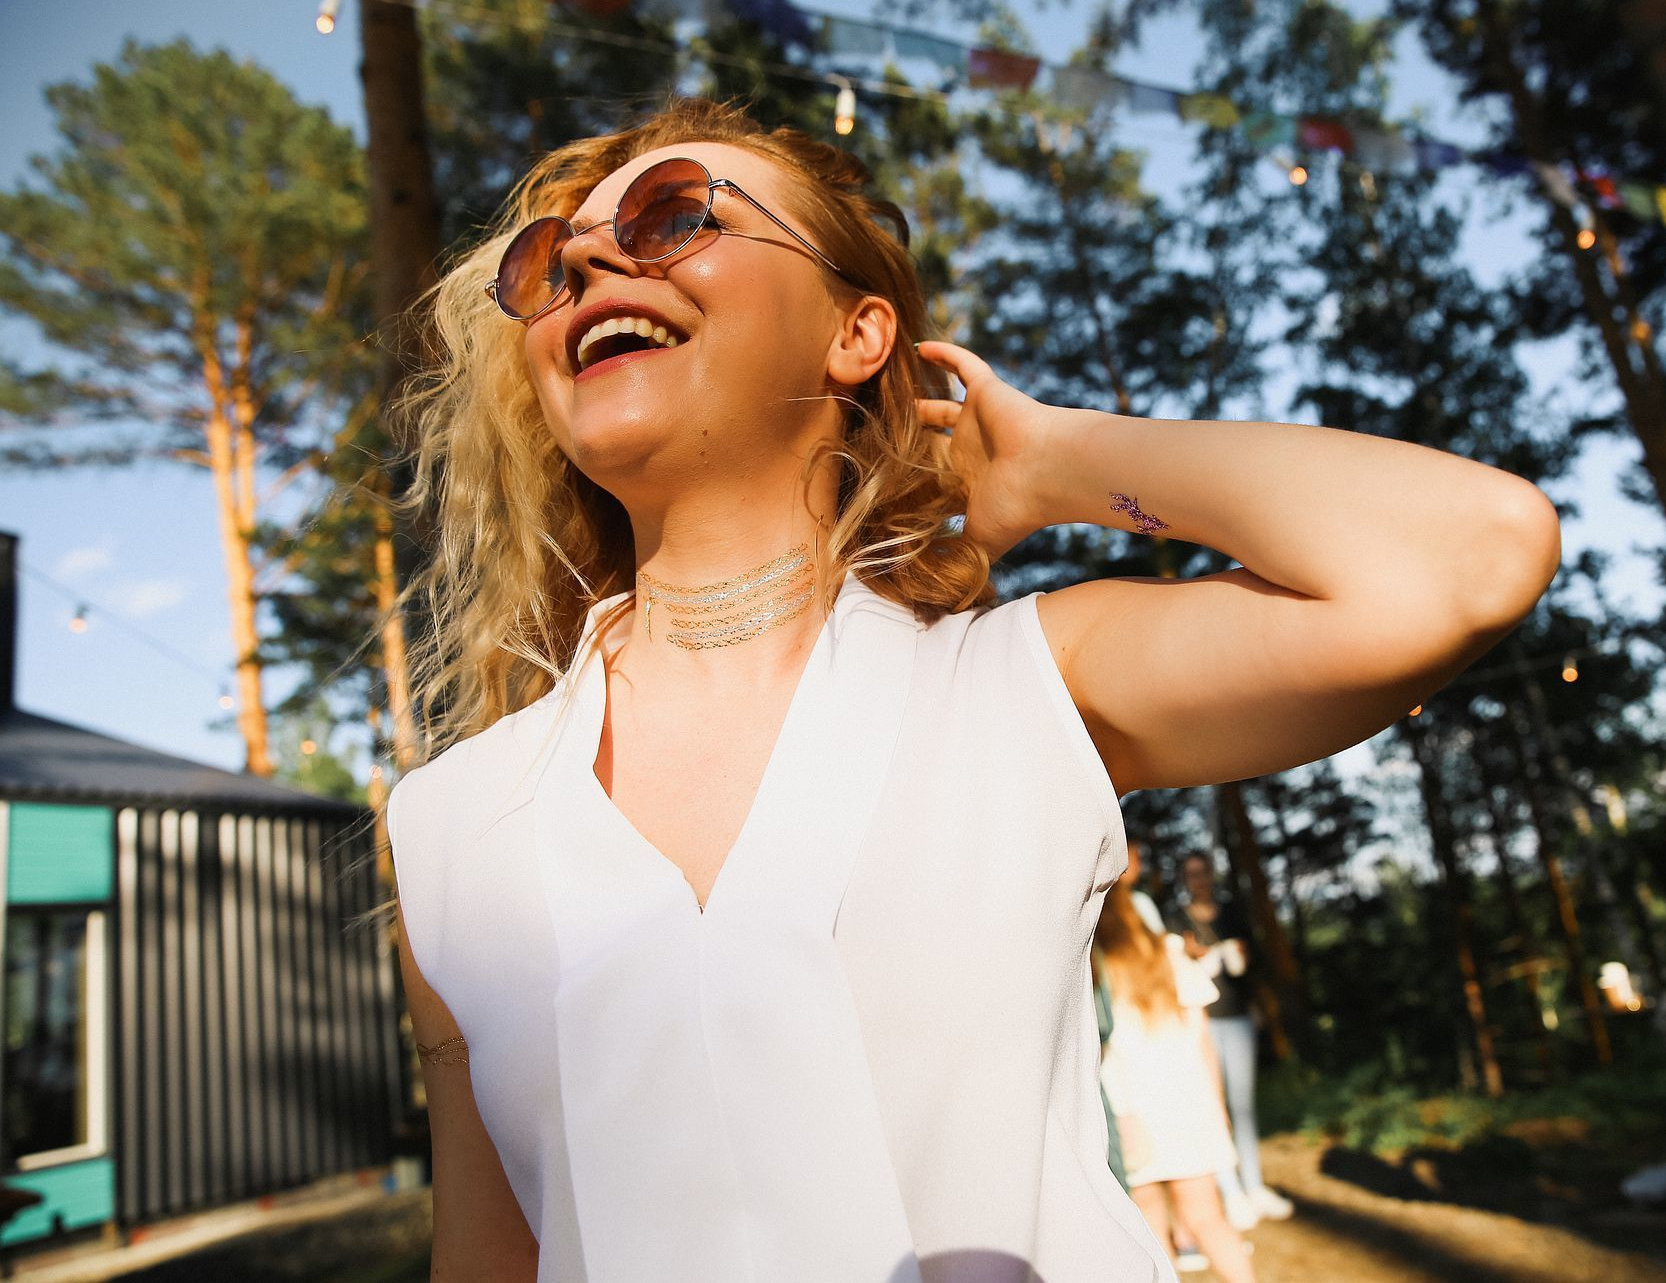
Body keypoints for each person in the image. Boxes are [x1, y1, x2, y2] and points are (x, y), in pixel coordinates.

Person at [383, 96, 1560, 1281]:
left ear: (856, 333)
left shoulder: (1021, 688)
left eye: (672, 215)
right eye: (547, 259)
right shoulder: (448, 825)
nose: (585, 257)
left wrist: (1061, 465)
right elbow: (489, 1256)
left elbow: (1470, 556)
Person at [1095, 884, 1257, 1282]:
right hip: (1190, 1106)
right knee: (1210, 1221)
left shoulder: (1094, 967)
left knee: (1150, 1235)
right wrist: (1217, 1107)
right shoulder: (1171, 952)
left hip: (1130, 1114)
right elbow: (1203, 1044)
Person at [1167, 852, 1293, 1227]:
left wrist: (1241, 956)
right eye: (1191, 874)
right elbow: (1170, 971)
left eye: (1203, 871)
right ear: (1184, 879)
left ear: (1211, 874)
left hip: (1237, 1019)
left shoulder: (1232, 913)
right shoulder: (1176, 920)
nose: (1199, 879)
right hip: (1200, 1023)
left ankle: (1253, 1186)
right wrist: (1189, 956)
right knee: (1212, 1106)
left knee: (1242, 1106)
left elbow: (1249, 963)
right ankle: (1230, 1192)